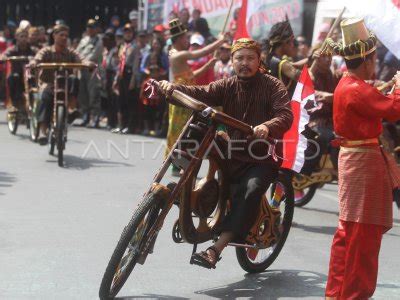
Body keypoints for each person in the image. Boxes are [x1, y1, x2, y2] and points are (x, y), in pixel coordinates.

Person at [159, 38, 293, 269]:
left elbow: (285, 115)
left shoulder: (273, 86)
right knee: (200, 125)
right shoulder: (227, 85)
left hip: (261, 157)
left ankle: (215, 250)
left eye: (250, 58)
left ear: (259, 60)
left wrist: (268, 126)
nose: (244, 63)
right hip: (231, 150)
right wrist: (171, 88)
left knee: (250, 190)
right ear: (231, 61)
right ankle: (186, 185)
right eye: (239, 58)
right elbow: (200, 92)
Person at [324, 18, 400, 299]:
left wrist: (388, 86)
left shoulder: (349, 83)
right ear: (368, 60)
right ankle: (354, 294)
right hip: (364, 163)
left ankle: (337, 292)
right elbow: (394, 110)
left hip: (356, 159)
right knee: (363, 234)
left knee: (349, 231)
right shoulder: (356, 89)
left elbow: (372, 99)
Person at [165, 18, 226, 176]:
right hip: (181, 99)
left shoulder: (175, 53)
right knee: (181, 132)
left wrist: (206, 67)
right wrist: (220, 41)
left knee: (188, 131)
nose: (187, 41)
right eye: (185, 38)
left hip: (185, 96)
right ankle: (175, 164)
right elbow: (202, 52)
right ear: (178, 40)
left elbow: (189, 77)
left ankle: (181, 163)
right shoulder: (178, 55)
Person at [29, 24, 88, 145]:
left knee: (74, 79)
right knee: (44, 97)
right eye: (61, 35)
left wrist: (87, 63)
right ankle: (42, 131)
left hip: (65, 84)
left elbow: (81, 58)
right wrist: (34, 62)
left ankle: (71, 108)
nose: (64, 38)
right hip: (48, 84)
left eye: (66, 35)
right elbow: (38, 58)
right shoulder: (46, 51)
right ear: (54, 36)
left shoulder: (71, 52)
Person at [76, 19, 104, 127]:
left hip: (93, 70)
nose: (90, 29)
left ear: (96, 29)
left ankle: (95, 117)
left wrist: (84, 61)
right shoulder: (83, 40)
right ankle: (85, 116)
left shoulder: (99, 41)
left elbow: (95, 55)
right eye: (88, 27)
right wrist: (79, 61)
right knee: (83, 94)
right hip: (82, 69)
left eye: (92, 27)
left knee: (94, 94)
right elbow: (77, 52)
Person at [2, 28, 37, 109]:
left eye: (25, 36)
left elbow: (39, 55)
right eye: (21, 36)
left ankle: (35, 103)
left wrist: (35, 60)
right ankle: (15, 102)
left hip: (29, 74)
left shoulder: (33, 50)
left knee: (36, 82)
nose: (24, 38)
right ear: (16, 37)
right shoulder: (13, 49)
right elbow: (5, 54)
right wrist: (3, 57)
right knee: (12, 78)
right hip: (17, 74)